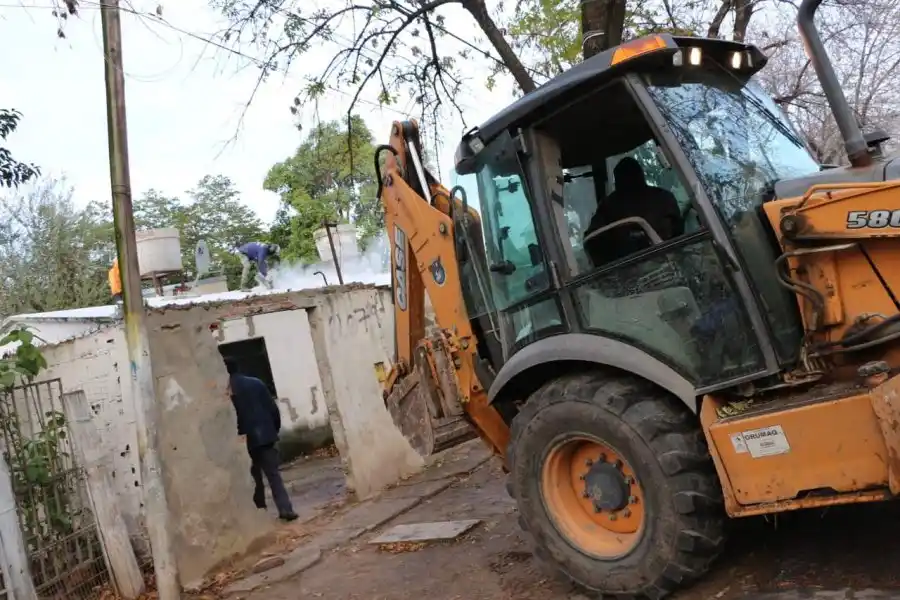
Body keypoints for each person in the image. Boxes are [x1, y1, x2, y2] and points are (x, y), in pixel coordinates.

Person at [224, 357, 298, 522]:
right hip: (266, 437)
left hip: (244, 441)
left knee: (254, 479)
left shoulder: (227, 391)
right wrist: (273, 430)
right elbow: (273, 409)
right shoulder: (256, 383)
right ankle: (286, 510)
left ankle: (261, 515)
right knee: (274, 476)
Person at [584, 156, 683, 265]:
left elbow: (680, 238)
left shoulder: (664, 198)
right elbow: (593, 240)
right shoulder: (608, 206)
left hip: (667, 262)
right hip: (626, 270)